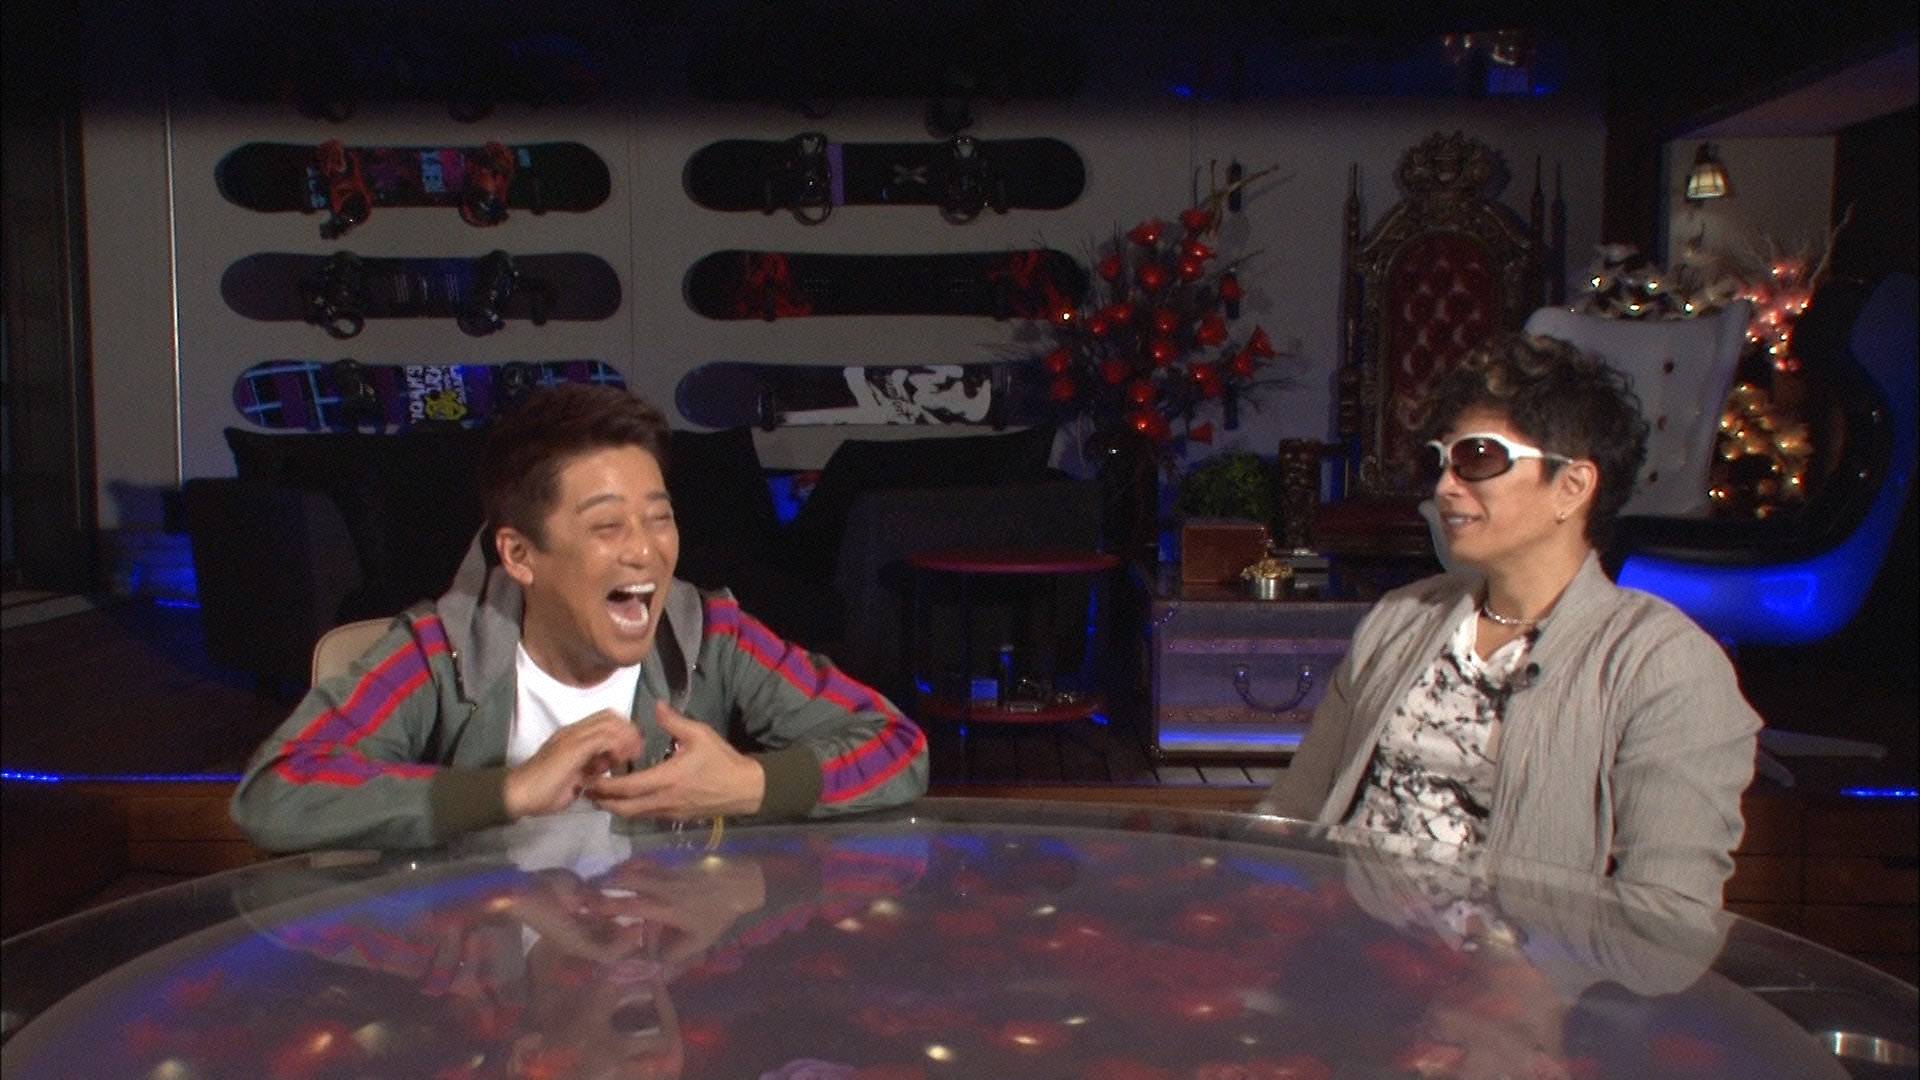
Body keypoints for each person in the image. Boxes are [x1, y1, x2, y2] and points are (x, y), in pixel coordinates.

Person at [231, 384, 929, 852]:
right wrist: (508, 790)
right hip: (492, 990)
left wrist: (750, 785)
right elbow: (276, 793)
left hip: (667, 978)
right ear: (519, 555)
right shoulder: (441, 650)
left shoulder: (709, 635)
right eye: (606, 526)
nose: (645, 550)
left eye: (659, 518)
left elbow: (896, 747)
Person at [1259, 333, 1760, 908]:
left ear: (1572, 486)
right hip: (1345, 941)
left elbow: (1669, 917)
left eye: (1477, 457)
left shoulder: (1665, 666)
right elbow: (1293, 812)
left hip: (1520, 961)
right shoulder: (1400, 619)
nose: (1446, 486)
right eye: (1440, 461)